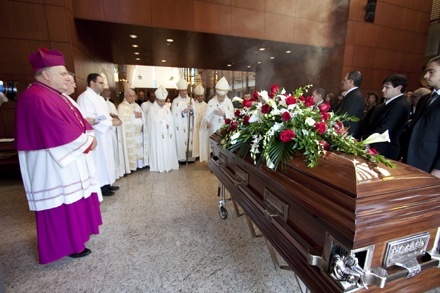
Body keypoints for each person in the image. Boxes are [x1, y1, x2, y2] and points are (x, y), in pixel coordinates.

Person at [15, 48, 102, 264]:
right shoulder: (35, 97)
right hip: (51, 164)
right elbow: (59, 132)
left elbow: (79, 122)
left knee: (72, 201)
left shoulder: (56, 95)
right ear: (45, 74)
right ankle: (66, 245)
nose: (68, 77)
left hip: (66, 158)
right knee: (62, 203)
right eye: (62, 73)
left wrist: (88, 134)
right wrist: (89, 140)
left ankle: (77, 238)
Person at [77, 73, 121, 196]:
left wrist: (110, 119)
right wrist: (110, 122)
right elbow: (89, 119)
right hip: (96, 134)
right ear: (92, 83)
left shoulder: (100, 98)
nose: (103, 86)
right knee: (99, 160)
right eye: (100, 83)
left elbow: (102, 115)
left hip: (105, 133)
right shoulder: (85, 97)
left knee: (106, 159)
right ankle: (100, 186)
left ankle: (107, 183)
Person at [403, 55, 440, 178]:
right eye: (426, 72)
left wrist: (439, 168)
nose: (425, 76)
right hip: (411, 160)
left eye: (431, 72)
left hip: (431, 163)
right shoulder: (424, 99)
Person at [362, 74, 410, 160]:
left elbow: (385, 129)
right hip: (375, 145)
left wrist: (366, 141)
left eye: (387, 87)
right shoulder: (388, 103)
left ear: (399, 88)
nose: (383, 90)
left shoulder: (400, 105)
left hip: (384, 149)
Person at [200, 77, 234, 162]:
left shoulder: (228, 102)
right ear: (217, 94)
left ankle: (223, 162)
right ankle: (214, 162)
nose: (222, 99)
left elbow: (232, 116)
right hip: (214, 127)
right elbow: (207, 115)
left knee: (224, 145)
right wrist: (207, 122)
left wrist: (223, 114)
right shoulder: (211, 102)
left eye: (223, 97)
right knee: (214, 145)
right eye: (220, 97)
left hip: (224, 127)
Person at [147, 86, 179, 172]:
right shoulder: (152, 109)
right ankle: (159, 165)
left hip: (167, 133)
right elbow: (154, 122)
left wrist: (168, 123)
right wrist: (164, 123)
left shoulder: (166, 108)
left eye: (163, 101)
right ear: (156, 100)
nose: (162, 103)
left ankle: (168, 164)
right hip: (158, 134)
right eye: (160, 101)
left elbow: (170, 119)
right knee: (160, 148)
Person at [117, 88, 149, 171]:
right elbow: (123, 121)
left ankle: (141, 165)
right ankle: (131, 166)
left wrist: (141, 116)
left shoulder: (136, 105)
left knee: (140, 149)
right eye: (130, 96)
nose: (132, 98)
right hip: (130, 135)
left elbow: (144, 116)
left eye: (133, 96)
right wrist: (133, 116)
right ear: (125, 96)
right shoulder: (121, 107)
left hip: (139, 133)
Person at [102, 87, 130, 178]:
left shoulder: (111, 104)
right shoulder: (100, 103)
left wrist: (116, 117)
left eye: (108, 90)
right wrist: (110, 117)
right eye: (106, 90)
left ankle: (117, 173)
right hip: (105, 133)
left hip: (114, 132)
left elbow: (118, 116)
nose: (108, 92)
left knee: (116, 154)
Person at [335, 71, 365, 139]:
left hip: (347, 135)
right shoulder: (352, 94)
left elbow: (347, 117)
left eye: (344, 80)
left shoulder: (355, 96)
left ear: (350, 81)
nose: (342, 82)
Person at [172, 78, 195, 163]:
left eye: (185, 90)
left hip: (189, 124)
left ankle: (190, 158)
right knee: (181, 140)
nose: (184, 92)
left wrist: (192, 110)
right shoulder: (175, 101)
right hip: (180, 126)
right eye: (182, 91)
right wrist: (183, 112)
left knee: (190, 140)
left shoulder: (191, 100)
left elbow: (195, 113)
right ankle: (182, 158)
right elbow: (174, 114)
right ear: (179, 91)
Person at [192, 84, 207, 159]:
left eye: (201, 96)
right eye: (198, 96)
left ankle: (204, 154)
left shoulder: (206, 105)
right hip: (196, 126)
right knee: (197, 139)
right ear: (196, 97)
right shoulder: (193, 105)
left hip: (204, 126)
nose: (200, 97)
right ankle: (197, 154)